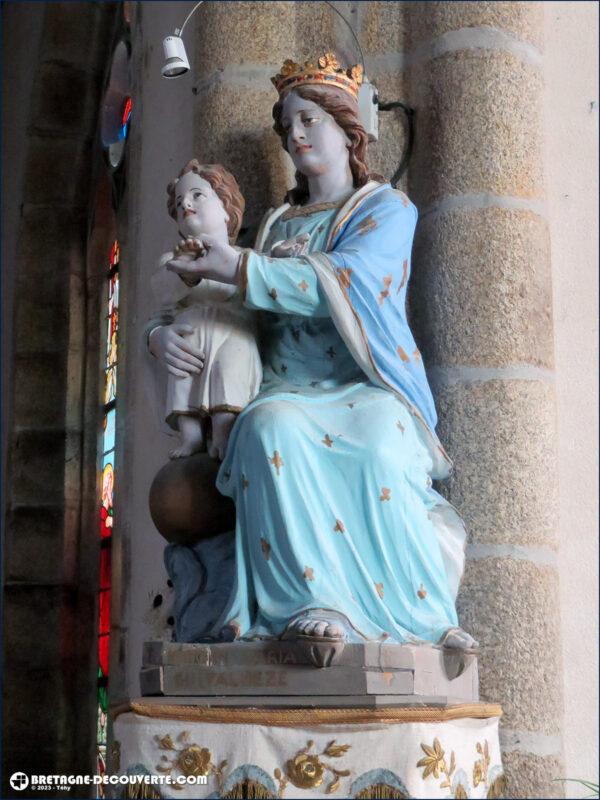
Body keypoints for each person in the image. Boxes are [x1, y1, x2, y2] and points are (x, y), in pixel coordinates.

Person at [158, 54, 477, 663]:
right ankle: (312, 602)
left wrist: (244, 268)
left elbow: (354, 278)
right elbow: (220, 303)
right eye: (288, 126)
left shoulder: (386, 209)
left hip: (366, 384)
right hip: (286, 387)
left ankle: (426, 616)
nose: (296, 135)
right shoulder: (277, 222)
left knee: (384, 443)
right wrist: (157, 335)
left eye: (309, 120)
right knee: (266, 429)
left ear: (347, 130)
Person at [150, 161, 262, 460]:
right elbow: (162, 293)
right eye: (179, 202)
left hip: (233, 332)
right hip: (192, 333)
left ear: (227, 209)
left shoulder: (245, 257)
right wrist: (185, 272)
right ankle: (191, 434)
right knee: (183, 371)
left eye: (197, 195)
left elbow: (260, 288)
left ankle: (223, 431)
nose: (186, 203)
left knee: (231, 369)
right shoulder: (172, 258)